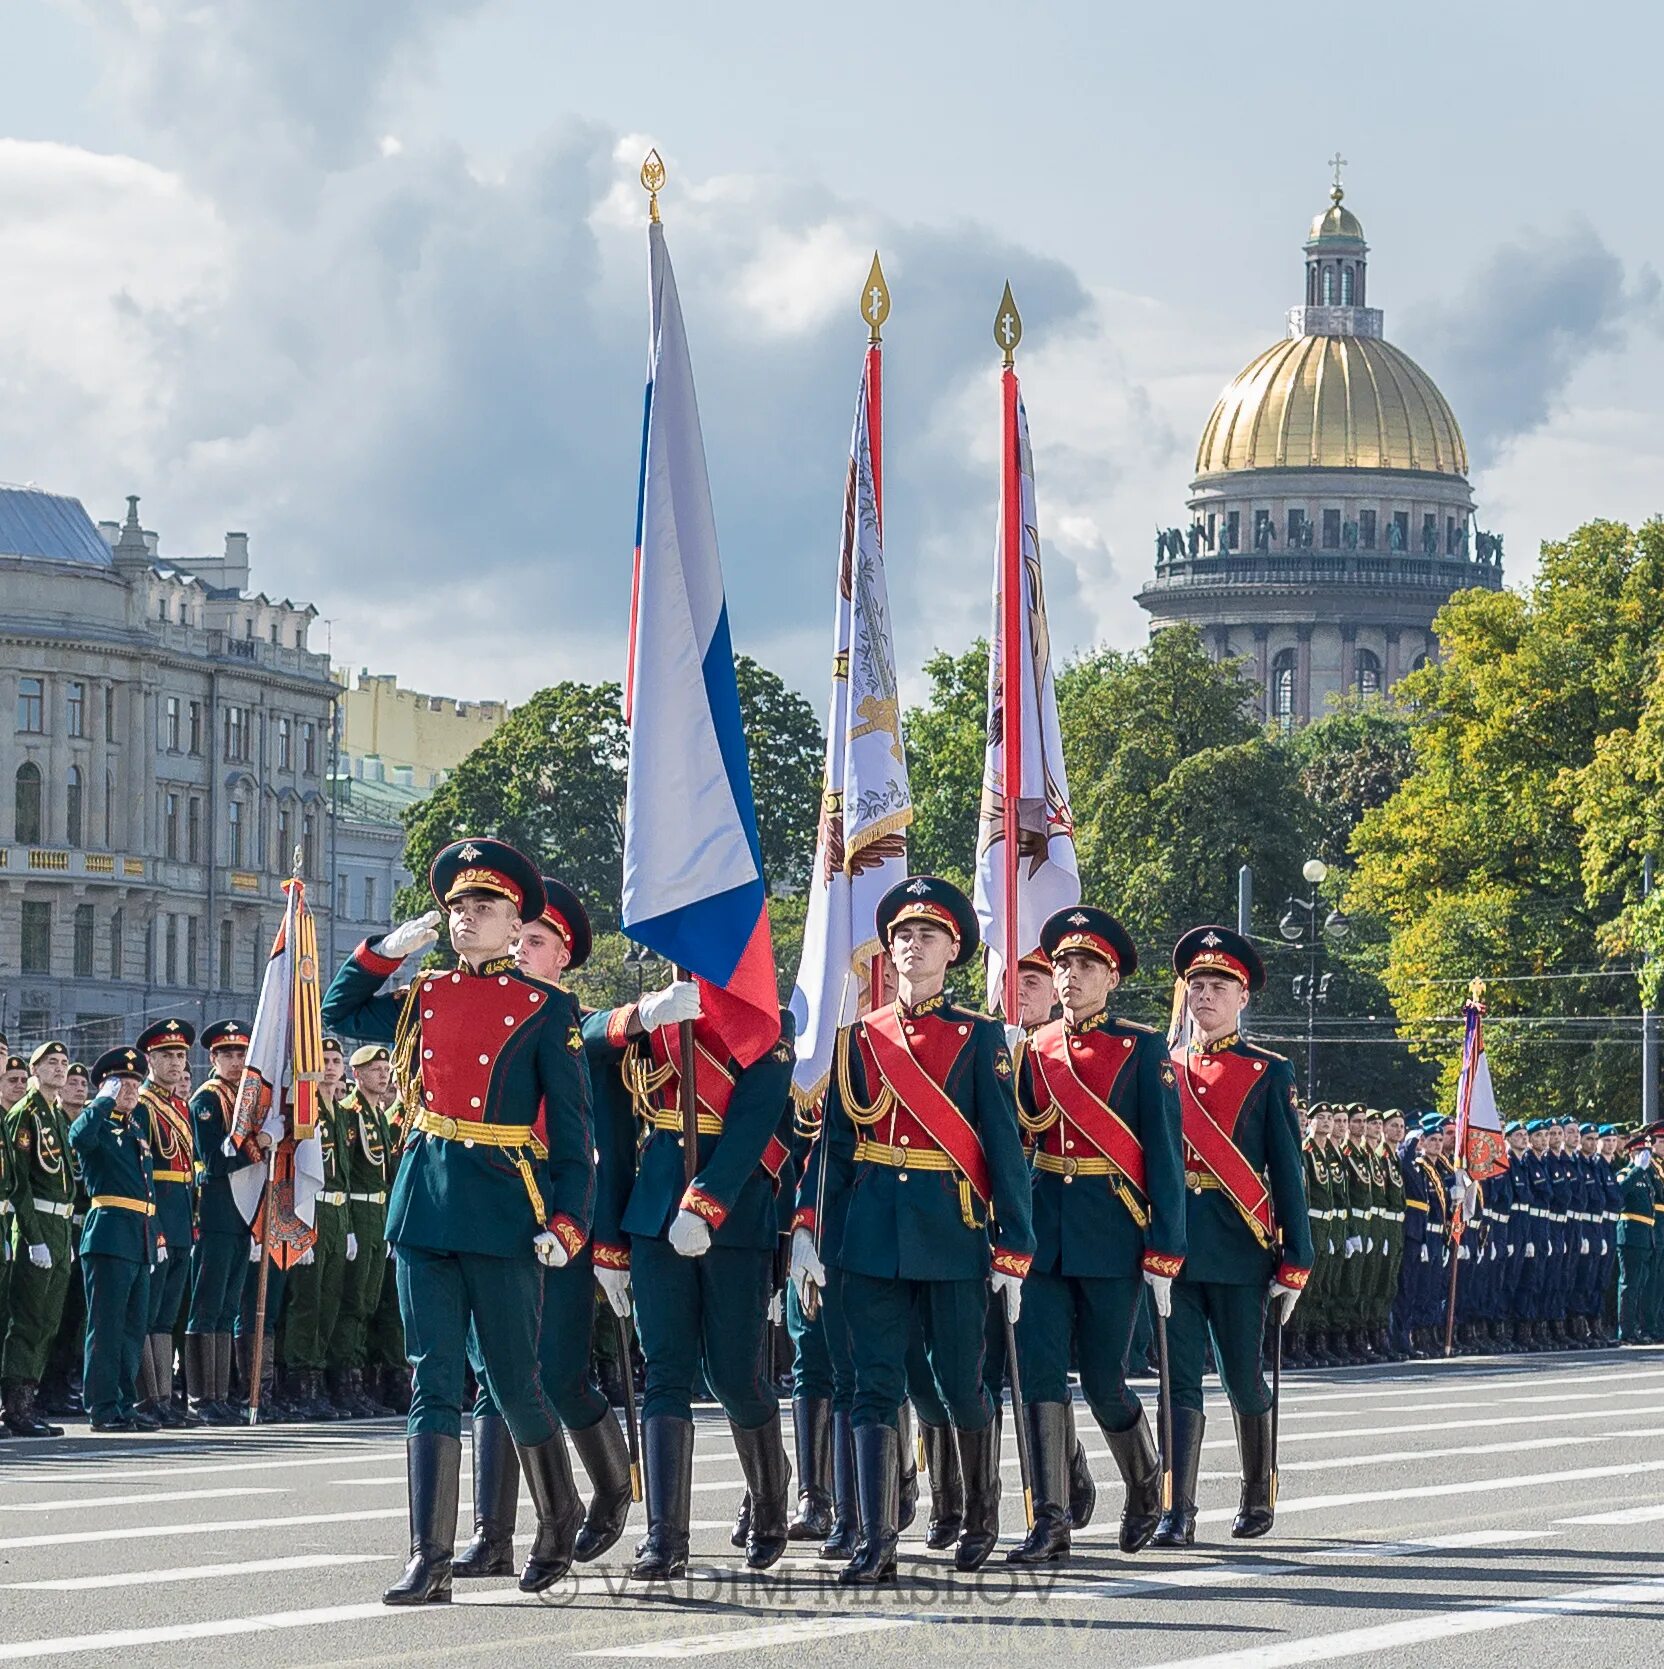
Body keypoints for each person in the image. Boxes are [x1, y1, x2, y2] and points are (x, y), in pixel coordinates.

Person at [323, 837, 594, 1604]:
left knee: (512, 1381)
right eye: (458, 906)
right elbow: (334, 1013)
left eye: (486, 907)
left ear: (517, 927)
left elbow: (573, 1137)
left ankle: (559, 1509)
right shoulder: (426, 994)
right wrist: (380, 953)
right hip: (426, 1205)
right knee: (431, 1378)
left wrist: (570, 1222)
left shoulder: (549, 1008)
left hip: (505, 1210)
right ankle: (429, 1556)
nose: (466, 917)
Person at [791, 875, 1035, 1584]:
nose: (911, 944)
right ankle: (876, 1538)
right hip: (866, 1234)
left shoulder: (980, 1037)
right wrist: (808, 1225)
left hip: (951, 1233)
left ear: (952, 949)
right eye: (901, 934)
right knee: (870, 1387)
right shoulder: (855, 1040)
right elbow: (833, 1146)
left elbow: (1003, 1148)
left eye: (926, 934)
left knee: (961, 1385)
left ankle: (980, 1511)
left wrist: (1013, 1248)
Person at [582, 959, 796, 1582]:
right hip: (651, 1212)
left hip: (732, 1213)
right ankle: (665, 1537)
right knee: (666, 1373)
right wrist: (610, 1244)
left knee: (734, 1375)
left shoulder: (765, 1023)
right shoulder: (657, 1019)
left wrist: (706, 1202)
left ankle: (771, 1503)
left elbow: (756, 1121)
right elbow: (600, 1079)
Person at [453, 878, 633, 1580]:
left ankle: (613, 1485)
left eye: (535, 941)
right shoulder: (480, 1010)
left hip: (559, 1217)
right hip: (493, 1215)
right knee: (491, 1375)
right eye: (517, 936)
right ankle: (491, 1532)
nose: (521, 950)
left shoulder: (566, 1020)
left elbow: (596, 1033)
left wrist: (641, 1012)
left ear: (562, 958)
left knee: (556, 1373)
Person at [1006, 906, 1184, 1566]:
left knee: (1107, 1379)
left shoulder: (1141, 1049)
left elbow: (1164, 1154)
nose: (1070, 976)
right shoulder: (1033, 1048)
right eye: (1062, 966)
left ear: (1112, 977)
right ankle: (1048, 1517)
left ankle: (1144, 1482)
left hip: (1113, 1233)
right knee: (1039, 1377)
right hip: (1044, 1232)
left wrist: (1167, 1247)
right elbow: (1015, 1143)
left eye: (1084, 966)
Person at [1153, 926, 1311, 1548]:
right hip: (1177, 1245)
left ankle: (1256, 1491)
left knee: (1242, 1378)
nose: (1205, 994)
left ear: (1242, 997)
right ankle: (1178, 1507)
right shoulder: (1164, 1069)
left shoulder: (1268, 1073)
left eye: (1219, 985)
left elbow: (1287, 1173)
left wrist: (1296, 1258)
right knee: (1177, 1379)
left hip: (1241, 1249)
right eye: (1196, 984)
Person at [69, 1046, 158, 1431]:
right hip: (108, 1236)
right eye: (121, 1083)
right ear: (105, 1086)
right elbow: (78, 1137)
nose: (131, 1090)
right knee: (106, 1327)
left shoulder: (136, 1128)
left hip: (138, 1237)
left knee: (132, 1328)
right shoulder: (98, 1124)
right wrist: (100, 1103)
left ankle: (124, 1403)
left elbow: (146, 1190)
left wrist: (155, 1238)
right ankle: (102, 1407)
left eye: (135, 1083)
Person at [3, 1041, 76, 1437]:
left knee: (48, 1320)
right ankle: (15, 1407)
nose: (60, 1069)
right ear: (34, 1069)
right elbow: (21, 1185)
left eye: (64, 1063)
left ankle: (29, 1400)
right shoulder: (26, 1114)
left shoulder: (57, 1116)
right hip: (38, 1224)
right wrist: (33, 1237)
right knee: (29, 1318)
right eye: (51, 1063)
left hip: (60, 1225)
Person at [186, 1020, 256, 1424]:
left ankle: (219, 1393)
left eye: (242, 1054)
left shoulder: (243, 1097)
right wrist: (254, 1150)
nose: (236, 1061)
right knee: (207, 1304)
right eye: (227, 1054)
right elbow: (213, 1161)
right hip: (216, 1212)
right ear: (212, 1058)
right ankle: (200, 1396)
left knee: (229, 1305)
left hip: (240, 1214)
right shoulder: (208, 1100)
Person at [282, 1038, 355, 1421]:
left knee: (331, 1301)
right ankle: (299, 1382)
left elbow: (343, 1172)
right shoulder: (308, 1109)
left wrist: (349, 1229)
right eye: (323, 1059)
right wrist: (300, 1220)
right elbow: (297, 1167)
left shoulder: (340, 1112)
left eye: (335, 1060)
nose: (329, 1066)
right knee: (307, 1301)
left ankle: (319, 1378)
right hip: (313, 1210)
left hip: (338, 1213)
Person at [135, 1019, 199, 1427]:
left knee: (168, 1313)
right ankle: (147, 1398)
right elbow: (143, 1170)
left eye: (180, 1056)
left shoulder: (179, 1105)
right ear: (150, 1060)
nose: (176, 1063)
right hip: (156, 1214)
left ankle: (164, 1395)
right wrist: (153, 1222)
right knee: (149, 1308)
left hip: (181, 1217)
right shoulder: (142, 1105)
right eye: (167, 1056)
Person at [335, 1044, 399, 1415]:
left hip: (378, 1213)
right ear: (357, 1075)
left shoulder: (376, 1114)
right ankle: (347, 1380)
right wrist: (347, 1227)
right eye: (374, 1069)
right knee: (353, 1300)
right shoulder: (351, 1114)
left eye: (385, 1068)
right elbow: (343, 1170)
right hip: (356, 1211)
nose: (383, 1074)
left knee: (371, 1302)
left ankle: (366, 1383)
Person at [1616, 1131, 1655, 1344]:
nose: (1646, 1155)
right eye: (1641, 1151)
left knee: (1640, 1285)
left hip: (1645, 1237)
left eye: (1648, 1151)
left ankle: (1636, 1328)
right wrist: (1637, 1170)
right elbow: (1619, 1193)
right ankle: (1626, 1331)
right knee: (1629, 1285)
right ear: (1632, 1153)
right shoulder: (1627, 1173)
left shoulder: (1646, 1177)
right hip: (1630, 1236)